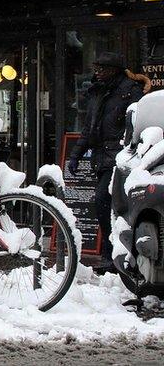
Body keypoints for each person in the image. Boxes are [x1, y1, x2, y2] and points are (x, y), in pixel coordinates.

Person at [67, 51, 144, 274]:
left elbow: (137, 124)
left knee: (108, 202)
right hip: (101, 156)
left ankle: (119, 255)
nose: (97, 72)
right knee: (103, 207)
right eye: (96, 68)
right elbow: (89, 127)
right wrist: (76, 154)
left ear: (114, 70)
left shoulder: (130, 90)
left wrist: (130, 150)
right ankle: (111, 254)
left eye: (102, 68)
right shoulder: (97, 91)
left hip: (120, 157)